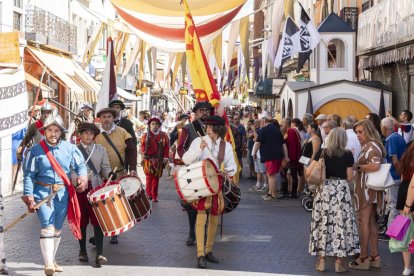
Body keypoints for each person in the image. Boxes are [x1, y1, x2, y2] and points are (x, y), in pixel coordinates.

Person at [22, 114, 88, 276]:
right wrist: (29, 195)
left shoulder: (70, 148)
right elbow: (29, 175)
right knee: (47, 226)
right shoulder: (34, 151)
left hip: (62, 194)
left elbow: (80, 166)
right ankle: (48, 263)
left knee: (57, 229)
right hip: (41, 194)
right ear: (44, 131)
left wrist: (82, 177)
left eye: (56, 130)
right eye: (50, 130)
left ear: (61, 132)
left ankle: (52, 259)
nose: (53, 133)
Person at [182, 115, 237, 269]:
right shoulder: (199, 141)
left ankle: (208, 250)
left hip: (217, 185)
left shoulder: (225, 146)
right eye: (206, 127)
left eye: (210, 128)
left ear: (218, 129)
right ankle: (200, 254)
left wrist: (227, 171)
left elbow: (232, 167)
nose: (207, 130)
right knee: (201, 217)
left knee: (214, 218)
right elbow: (186, 159)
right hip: (201, 184)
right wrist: (198, 151)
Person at [307, 128, 360, 273]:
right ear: (343, 139)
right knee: (341, 224)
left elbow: (308, 172)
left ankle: (322, 261)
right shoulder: (348, 154)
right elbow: (349, 178)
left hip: (325, 190)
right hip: (341, 191)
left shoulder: (323, 152)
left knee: (324, 222)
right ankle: (339, 262)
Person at [95, 107, 138, 244]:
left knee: (114, 204)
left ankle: (114, 232)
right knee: (100, 205)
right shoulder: (95, 135)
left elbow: (131, 151)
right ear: (99, 119)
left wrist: (132, 167)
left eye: (109, 116)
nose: (106, 119)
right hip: (100, 176)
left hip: (118, 174)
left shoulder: (123, 132)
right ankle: (100, 231)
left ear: (113, 118)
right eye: (103, 117)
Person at [349, 119, 386, 270]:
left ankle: (363, 257)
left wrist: (357, 165)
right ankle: (375, 256)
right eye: (356, 132)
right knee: (370, 223)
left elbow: (376, 164)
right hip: (369, 190)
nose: (358, 135)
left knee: (363, 222)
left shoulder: (371, 145)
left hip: (366, 191)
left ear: (368, 131)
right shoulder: (372, 144)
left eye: (360, 132)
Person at [75, 122, 112, 266]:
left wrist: (111, 174)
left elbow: (105, 168)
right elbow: (71, 169)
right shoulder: (74, 150)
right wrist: (76, 180)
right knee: (82, 221)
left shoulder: (100, 150)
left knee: (98, 221)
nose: (88, 136)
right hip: (80, 190)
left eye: (91, 133)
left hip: (96, 189)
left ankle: (100, 254)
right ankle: (82, 251)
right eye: (85, 133)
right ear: (81, 135)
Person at [177, 101, 213, 246]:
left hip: (210, 171)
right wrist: (189, 161)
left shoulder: (214, 128)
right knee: (192, 204)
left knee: (209, 204)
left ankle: (204, 232)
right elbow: (180, 148)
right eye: (201, 110)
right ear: (196, 112)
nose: (204, 113)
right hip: (194, 170)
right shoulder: (188, 128)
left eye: (207, 111)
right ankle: (192, 232)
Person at [381, 118, 407, 226]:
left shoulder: (391, 139)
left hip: (394, 176)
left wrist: (399, 173)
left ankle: (392, 232)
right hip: (399, 175)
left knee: (393, 205)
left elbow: (395, 160)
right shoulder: (399, 137)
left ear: (384, 128)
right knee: (396, 204)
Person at [257, 117, 288, 200]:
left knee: (271, 175)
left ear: (264, 121)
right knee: (270, 174)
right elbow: (283, 144)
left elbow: (258, 143)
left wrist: (254, 153)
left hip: (270, 156)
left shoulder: (263, 130)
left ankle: (273, 195)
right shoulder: (278, 131)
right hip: (278, 156)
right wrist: (286, 156)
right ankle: (270, 193)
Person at [140, 117, 169, 202]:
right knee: (148, 179)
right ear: (149, 125)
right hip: (148, 161)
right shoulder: (145, 135)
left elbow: (167, 147)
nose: (154, 126)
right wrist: (143, 153)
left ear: (159, 125)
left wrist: (165, 157)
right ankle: (148, 194)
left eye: (156, 124)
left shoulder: (164, 135)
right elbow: (142, 146)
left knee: (156, 179)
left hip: (158, 160)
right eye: (152, 124)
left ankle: (154, 196)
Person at [396, 143, 414, 276]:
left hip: (403, 190)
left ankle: (407, 267)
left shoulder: (408, 149)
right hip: (410, 193)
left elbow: (402, 175)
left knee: (405, 231)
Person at [280, 118, 302, 199]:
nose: (282, 124)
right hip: (293, 157)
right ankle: (291, 193)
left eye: (283, 122)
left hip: (290, 157)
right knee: (292, 175)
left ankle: (288, 193)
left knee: (286, 174)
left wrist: (288, 158)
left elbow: (292, 146)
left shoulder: (291, 131)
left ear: (287, 123)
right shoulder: (292, 131)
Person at [251, 119, 268, 192]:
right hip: (256, 153)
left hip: (260, 154)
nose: (260, 123)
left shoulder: (262, 131)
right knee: (258, 171)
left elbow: (257, 138)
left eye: (260, 122)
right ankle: (258, 184)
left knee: (263, 171)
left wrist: (254, 130)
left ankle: (265, 185)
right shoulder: (260, 130)